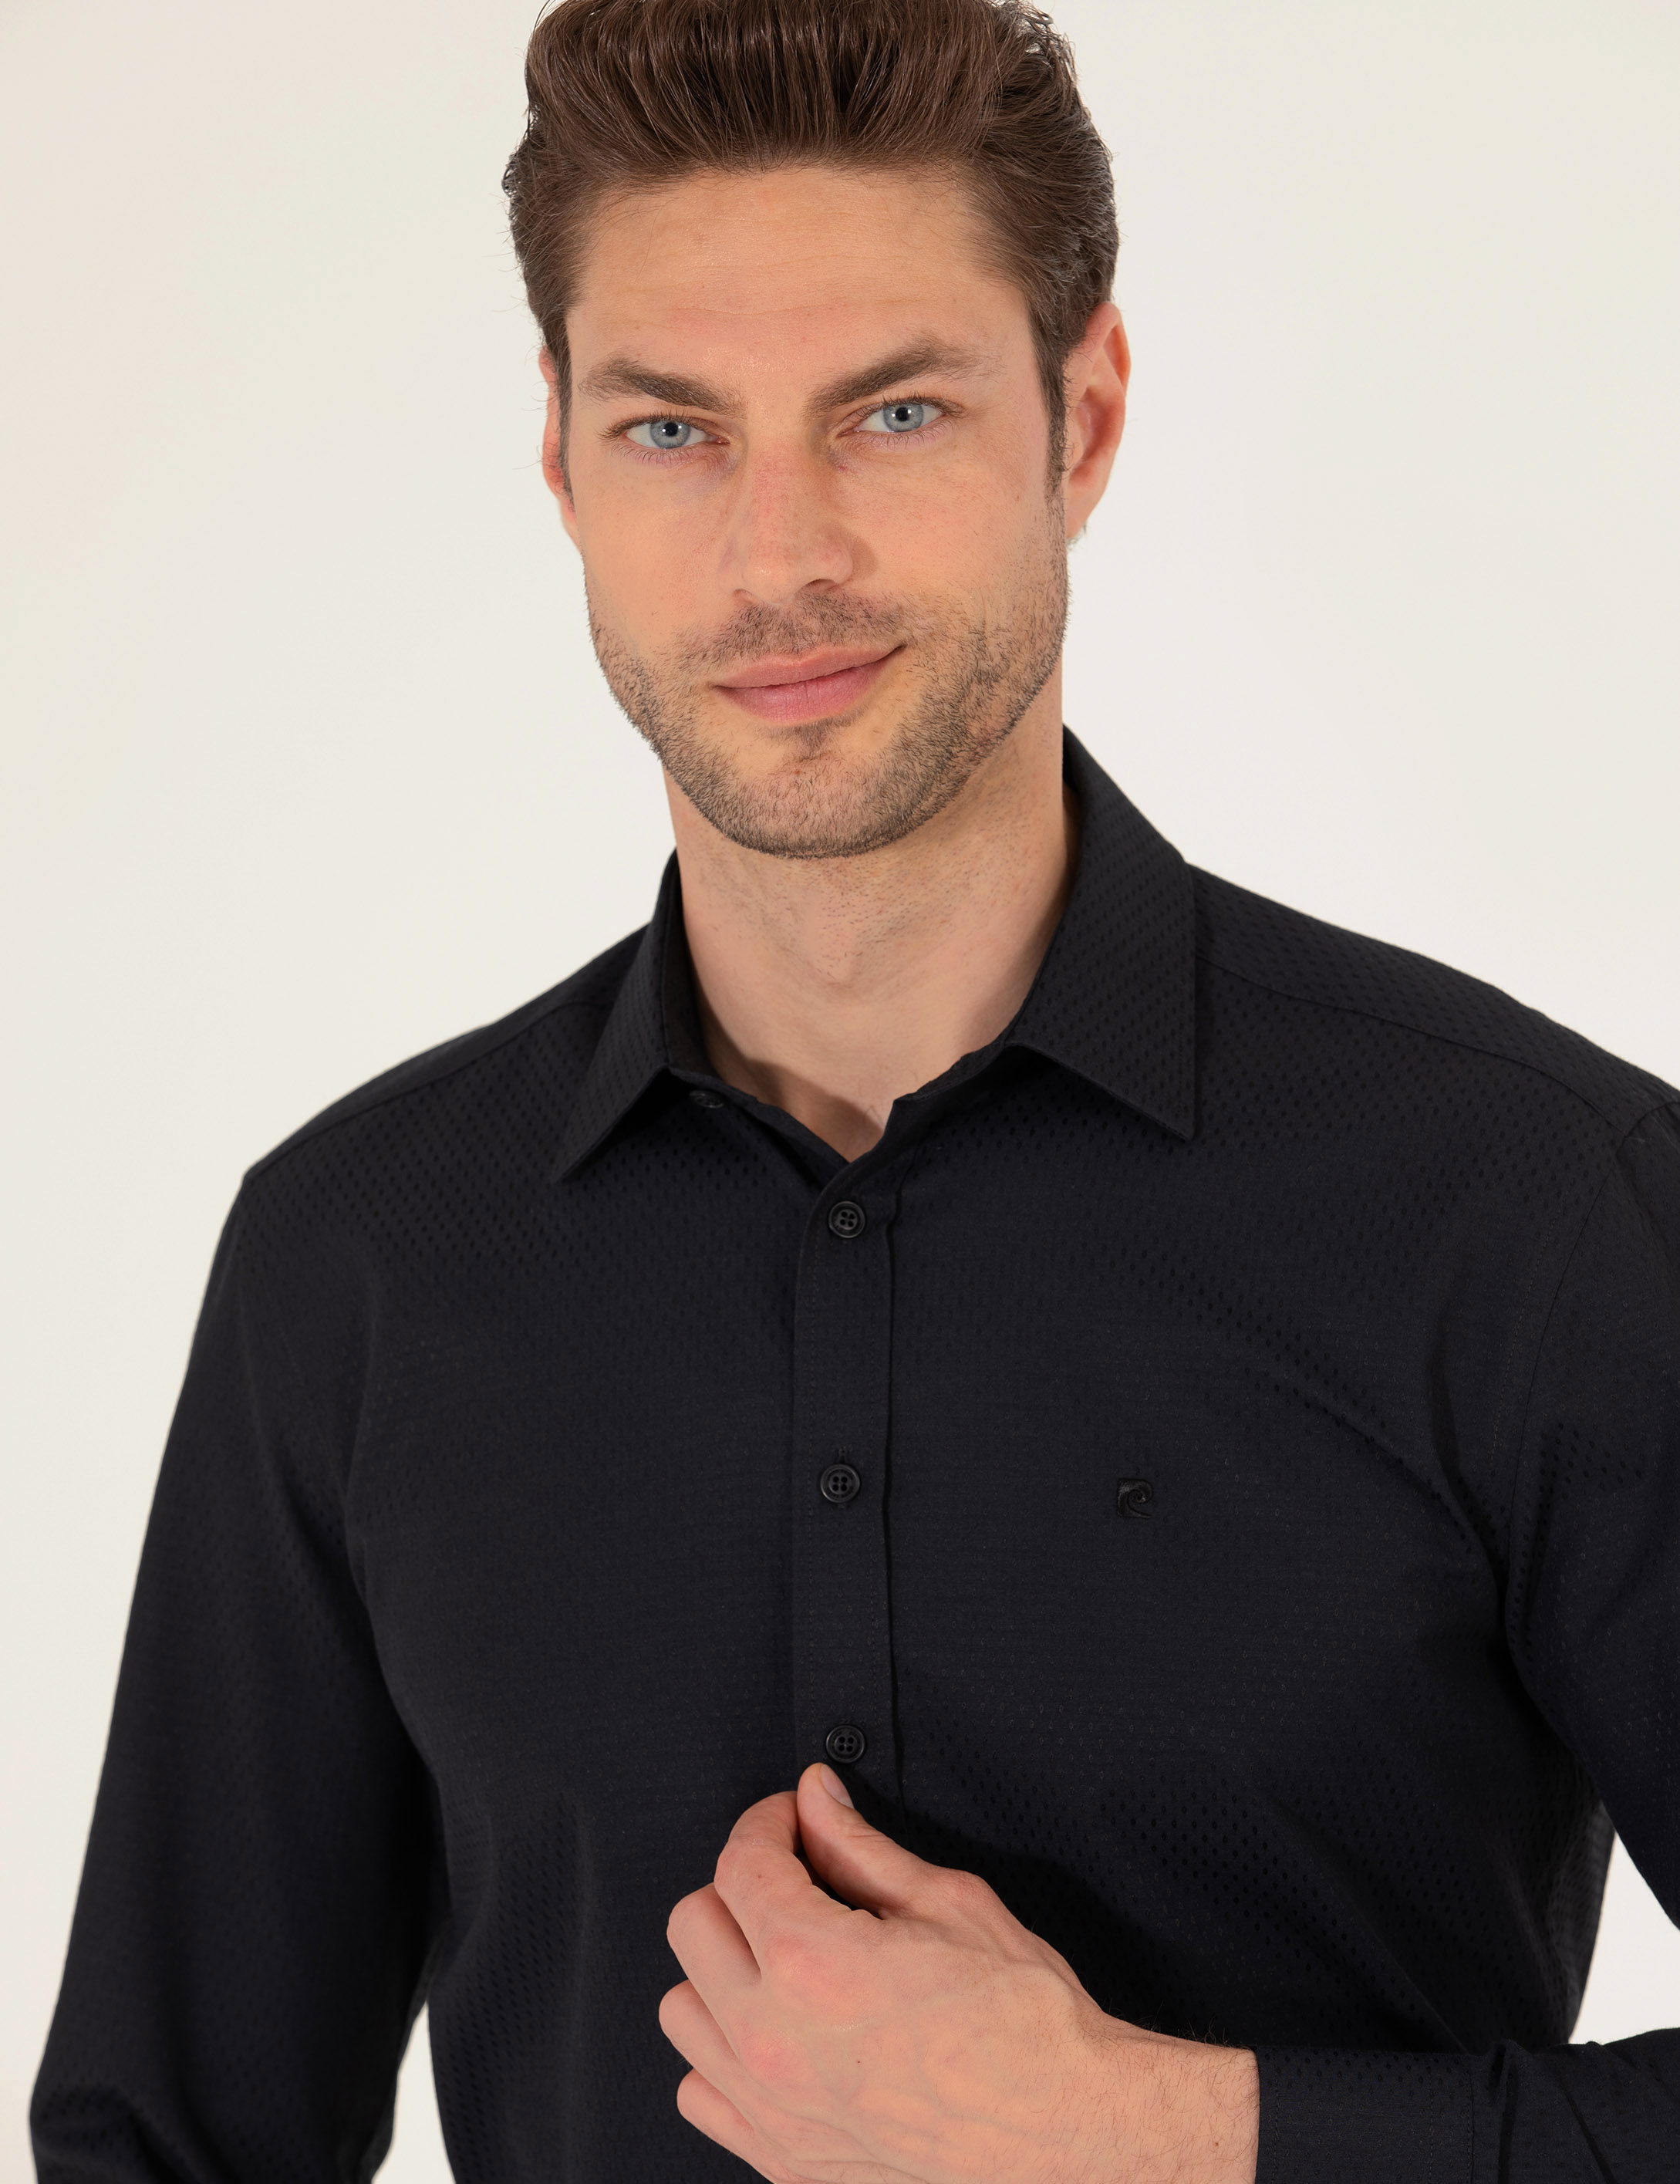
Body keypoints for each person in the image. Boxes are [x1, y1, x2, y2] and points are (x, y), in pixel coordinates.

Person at [30, 1, 1679, 2179]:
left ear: (1082, 419)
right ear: (560, 465)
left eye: (892, 412)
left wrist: (1153, 2134)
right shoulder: (359, 1257)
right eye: (672, 429)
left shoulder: (1531, 1202)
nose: (778, 555)